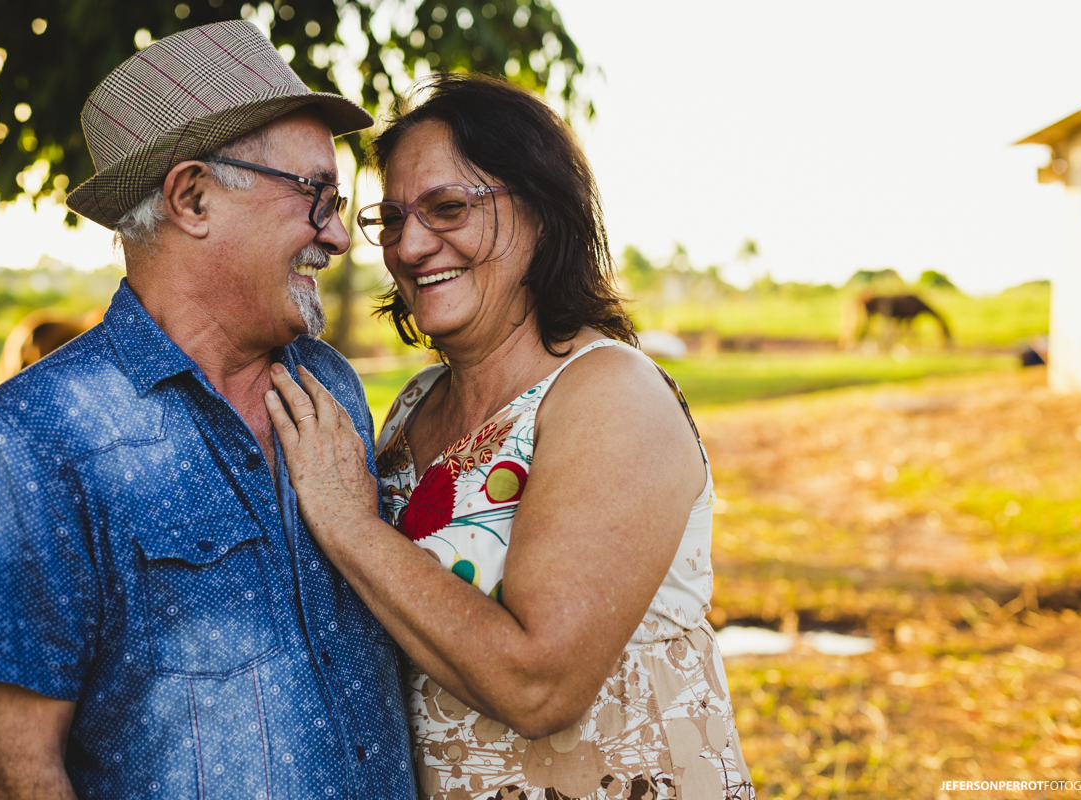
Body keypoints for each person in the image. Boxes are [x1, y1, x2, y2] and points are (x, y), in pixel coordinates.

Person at [0, 21, 415, 800]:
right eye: (315, 195)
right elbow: (14, 774)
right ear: (192, 196)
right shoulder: (32, 441)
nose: (337, 235)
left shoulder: (331, 386)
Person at [264, 74, 755, 800]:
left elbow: (540, 685)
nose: (412, 245)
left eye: (449, 208)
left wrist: (345, 521)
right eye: (393, 218)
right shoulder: (415, 405)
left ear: (544, 216)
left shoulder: (609, 391)